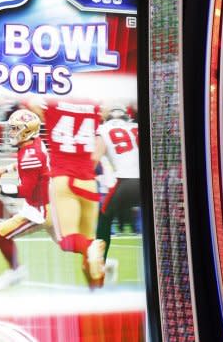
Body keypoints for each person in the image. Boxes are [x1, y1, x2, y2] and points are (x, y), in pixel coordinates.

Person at [31, 98, 105, 288]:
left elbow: (29, 102)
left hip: (63, 179)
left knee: (68, 242)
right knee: (89, 250)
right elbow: (98, 150)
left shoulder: (52, 103)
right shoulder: (94, 106)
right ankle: (97, 293)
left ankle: (91, 249)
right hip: (89, 181)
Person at [0, 109, 54, 290]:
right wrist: (7, 169)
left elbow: (24, 190)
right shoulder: (35, 143)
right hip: (50, 204)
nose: (11, 132)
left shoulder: (29, 154)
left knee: (0, 233)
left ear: (27, 131)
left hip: (38, 211)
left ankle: (16, 270)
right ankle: (100, 260)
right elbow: (31, 164)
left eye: (15, 129)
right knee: (68, 244)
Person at [92, 104, 141, 283]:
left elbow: (95, 157)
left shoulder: (104, 129)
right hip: (147, 183)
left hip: (126, 182)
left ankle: (100, 268)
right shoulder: (135, 127)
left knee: (104, 219)